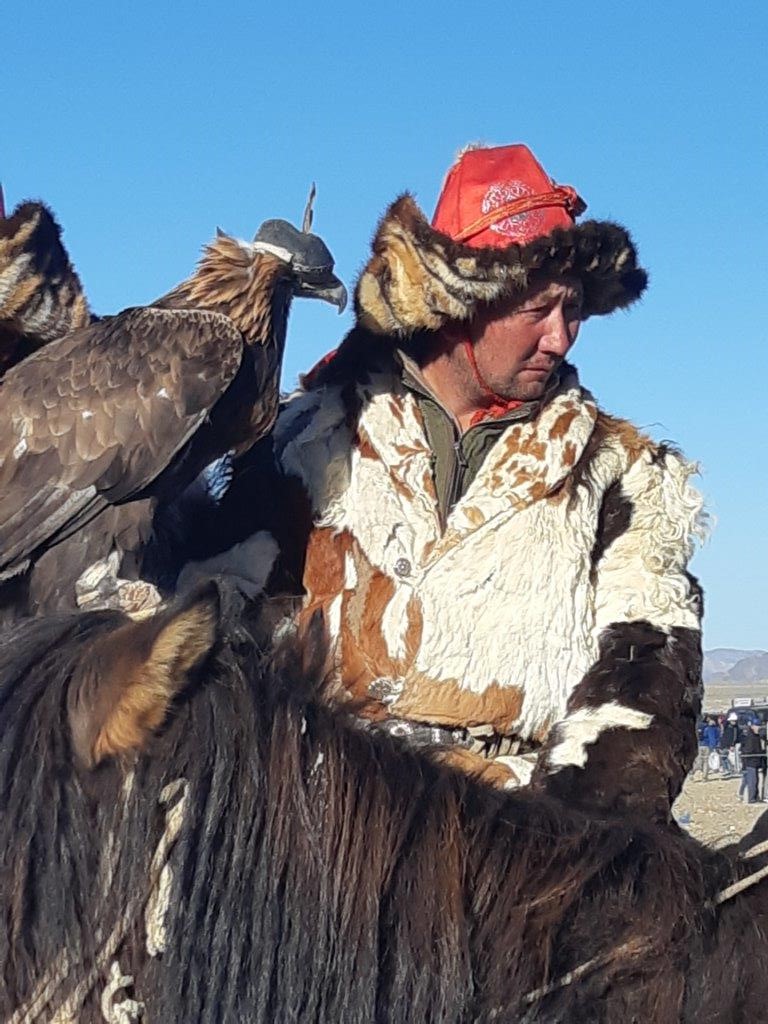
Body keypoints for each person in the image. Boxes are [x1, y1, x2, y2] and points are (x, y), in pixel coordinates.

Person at [14, 144, 706, 824]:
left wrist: (546, 866)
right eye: (537, 308)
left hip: (515, 864)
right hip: (322, 850)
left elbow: (642, 709)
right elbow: (219, 643)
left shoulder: (625, 481)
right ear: (462, 297)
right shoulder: (300, 443)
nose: (562, 337)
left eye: (575, 309)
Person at [738, 721, 764, 804]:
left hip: (755, 762)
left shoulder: (756, 736)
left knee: (755, 780)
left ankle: (755, 797)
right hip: (750, 762)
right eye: (757, 726)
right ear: (752, 726)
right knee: (752, 781)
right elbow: (747, 751)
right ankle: (751, 798)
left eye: (759, 726)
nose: (758, 728)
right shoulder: (750, 737)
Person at [720, 712, 740, 777]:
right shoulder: (727, 726)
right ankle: (728, 769)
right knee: (723, 757)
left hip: (729, 745)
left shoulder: (735, 728)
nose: (734, 722)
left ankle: (729, 769)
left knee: (725, 757)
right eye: (732, 720)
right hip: (724, 744)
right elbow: (723, 723)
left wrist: (732, 745)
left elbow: (734, 737)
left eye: (734, 721)